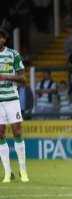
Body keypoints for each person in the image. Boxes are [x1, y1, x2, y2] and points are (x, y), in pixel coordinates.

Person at [0, 28, 29, 183]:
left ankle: (23, 171)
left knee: (17, 131)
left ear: (4, 39)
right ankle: (7, 173)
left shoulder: (13, 54)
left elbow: (23, 79)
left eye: (0, 38)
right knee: (0, 133)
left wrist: (4, 76)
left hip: (11, 99)